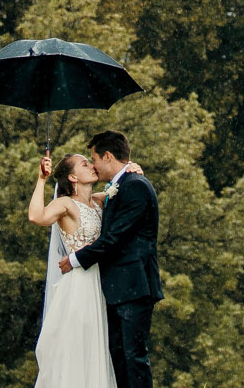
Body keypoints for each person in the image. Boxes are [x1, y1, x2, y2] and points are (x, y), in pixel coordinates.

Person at [57, 131, 162, 388]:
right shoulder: (121, 186)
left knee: (133, 357)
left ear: (107, 156)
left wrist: (76, 259)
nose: (93, 165)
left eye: (94, 159)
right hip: (118, 289)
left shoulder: (134, 186)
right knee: (119, 358)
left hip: (134, 287)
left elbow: (115, 238)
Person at [27, 151, 113, 388]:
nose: (91, 166)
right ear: (73, 178)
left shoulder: (98, 201)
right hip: (79, 287)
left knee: (97, 348)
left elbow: (126, 190)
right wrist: (42, 179)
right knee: (77, 347)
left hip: (101, 283)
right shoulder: (65, 204)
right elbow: (36, 216)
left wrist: (133, 168)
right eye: (84, 164)